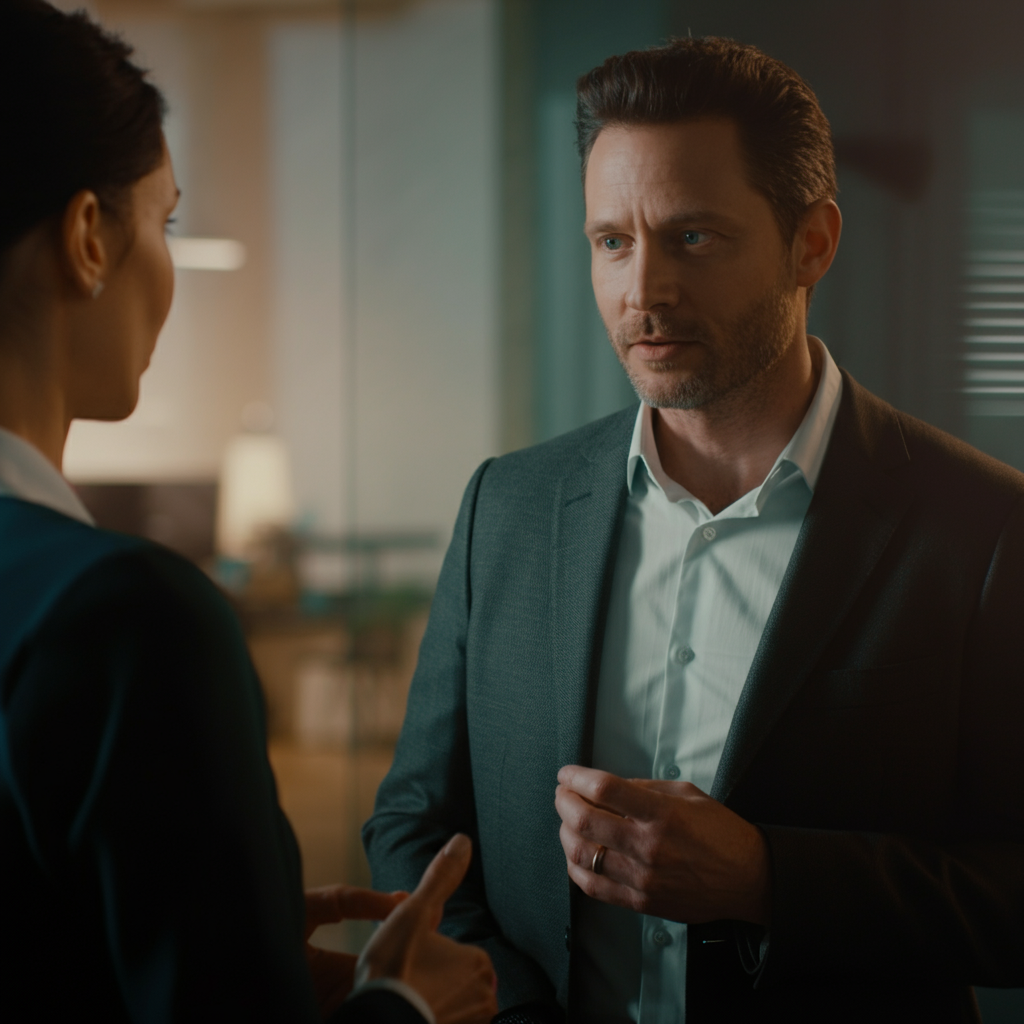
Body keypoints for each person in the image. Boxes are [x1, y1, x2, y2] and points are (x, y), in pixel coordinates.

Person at [364, 35, 1024, 1024]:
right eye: (611, 242)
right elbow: (415, 825)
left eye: (693, 237)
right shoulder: (506, 504)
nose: (643, 292)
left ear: (813, 243)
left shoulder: (984, 529)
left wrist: (768, 878)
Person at [0, 4, 498, 1023]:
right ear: (89, 236)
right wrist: (403, 1006)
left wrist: (213, 940)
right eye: (166, 219)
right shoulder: (129, 620)